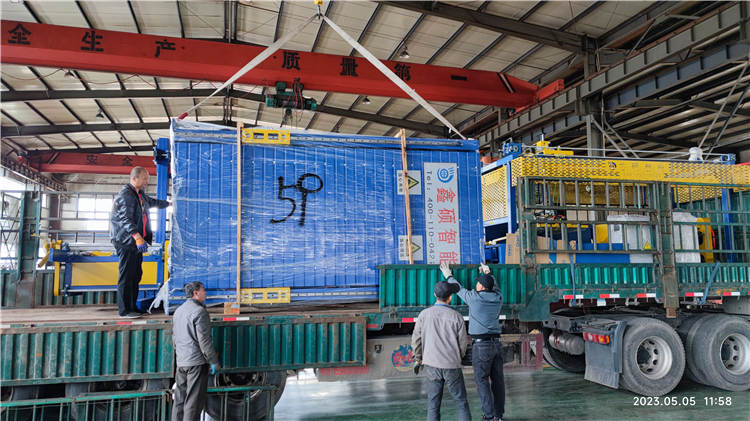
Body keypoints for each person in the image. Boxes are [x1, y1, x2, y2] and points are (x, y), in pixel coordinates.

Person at [441, 262, 504, 421]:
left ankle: (488, 416)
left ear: (481, 286)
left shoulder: (474, 298)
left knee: (482, 380)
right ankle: (498, 416)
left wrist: (448, 275)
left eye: (478, 283)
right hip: (497, 344)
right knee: (498, 381)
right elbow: (495, 287)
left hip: (482, 346)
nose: (475, 284)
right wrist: (488, 273)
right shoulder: (498, 297)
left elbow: (457, 288)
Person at [109, 166, 169, 318]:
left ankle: (132, 307)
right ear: (134, 178)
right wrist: (137, 237)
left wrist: (168, 203)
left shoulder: (139, 195)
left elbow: (152, 202)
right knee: (127, 276)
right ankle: (125, 310)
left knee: (136, 275)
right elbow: (125, 219)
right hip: (127, 242)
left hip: (135, 243)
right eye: (144, 178)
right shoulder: (126, 196)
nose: (146, 181)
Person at [412, 281, 472, 421]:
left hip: (432, 365)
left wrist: (418, 358)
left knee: (433, 404)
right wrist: (458, 358)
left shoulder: (424, 315)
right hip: (451, 365)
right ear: (450, 297)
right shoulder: (457, 316)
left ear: (435, 295)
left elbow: (416, 340)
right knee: (461, 402)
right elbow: (463, 343)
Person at [172, 281, 220, 421]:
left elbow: (174, 338)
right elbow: (204, 341)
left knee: (179, 401)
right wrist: (213, 362)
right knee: (193, 402)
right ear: (196, 293)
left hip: (181, 362)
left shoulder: (178, 311)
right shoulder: (200, 312)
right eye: (203, 290)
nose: (205, 293)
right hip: (195, 364)